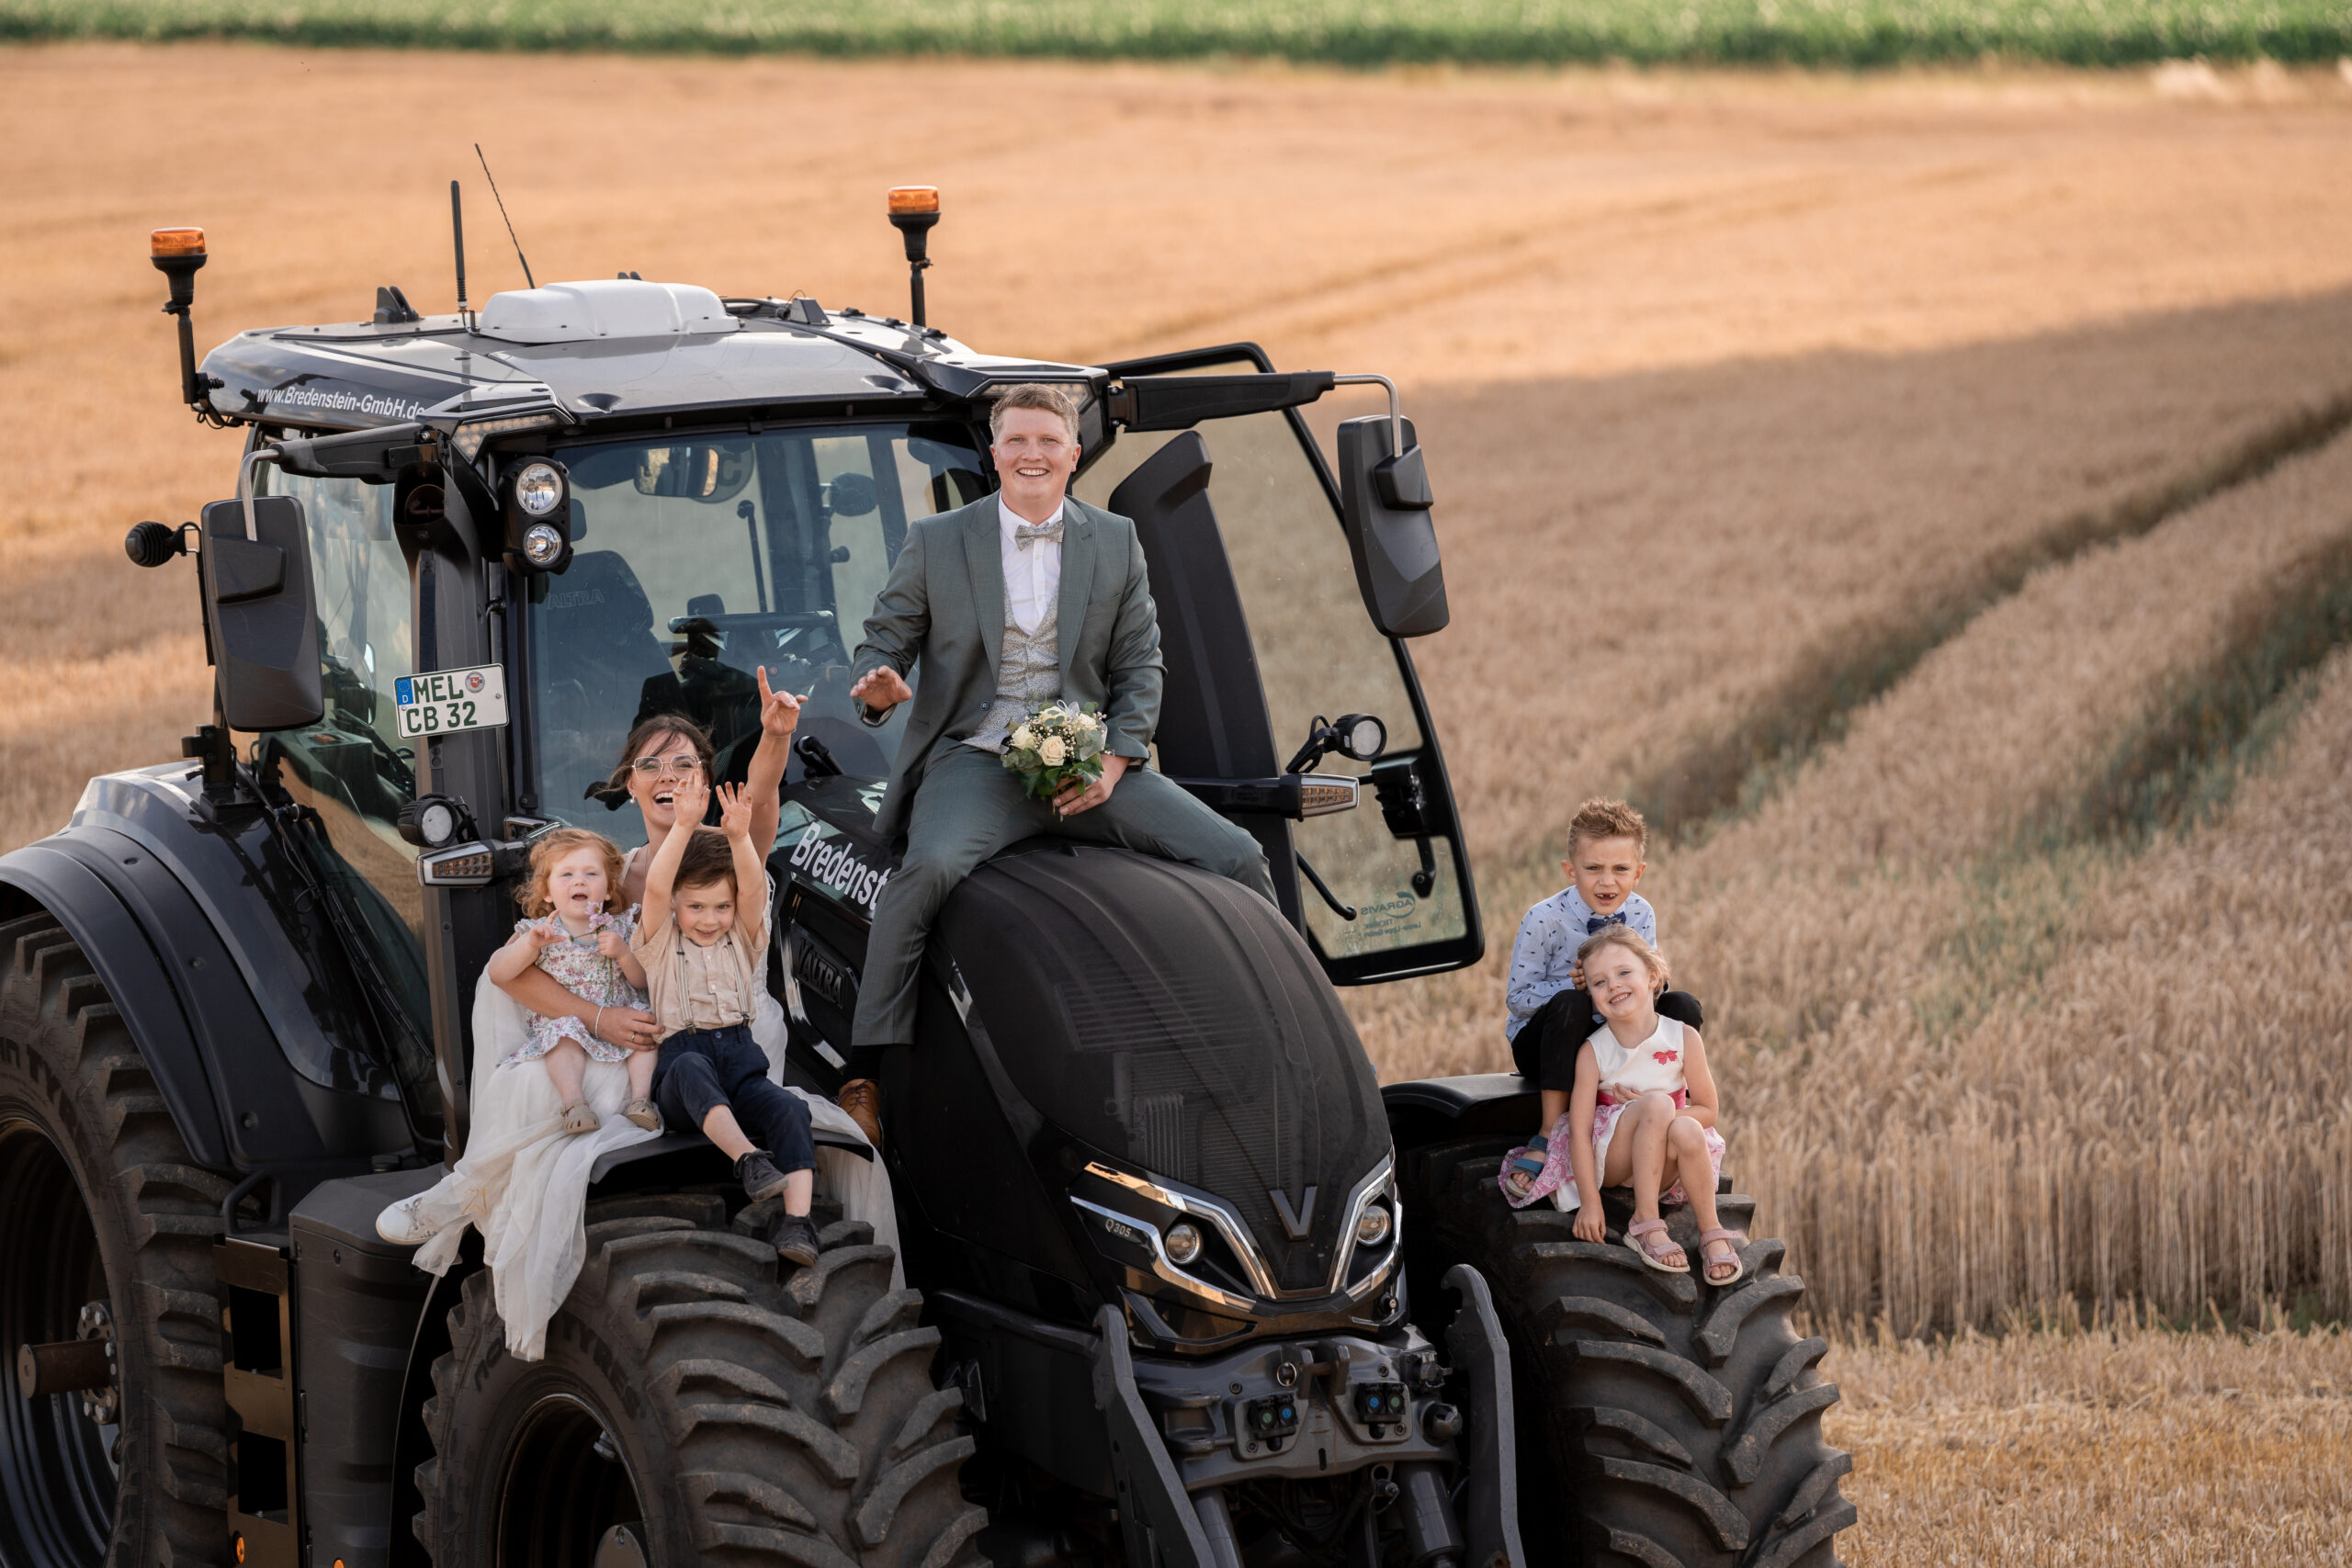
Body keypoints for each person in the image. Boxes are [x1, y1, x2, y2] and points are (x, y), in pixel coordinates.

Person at [842, 383, 1276, 1094]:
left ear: (1074, 454)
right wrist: (878, 687)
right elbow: (881, 643)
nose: (1032, 453)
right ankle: (866, 1077)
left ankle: (1287, 1033)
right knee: (927, 871)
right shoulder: (936, 539)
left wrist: (1113, 762)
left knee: (1239, 855)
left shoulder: (1116, 539)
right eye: (1016, 439)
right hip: (977, 757)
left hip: (1087, 761)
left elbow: (1142, 663)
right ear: (994, 453)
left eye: (1048, 440)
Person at [631, 774, 821, 1266]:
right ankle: (748, 1160)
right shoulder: (659, 943)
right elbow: (656, 887)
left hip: (740, 1061)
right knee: (690, 1067)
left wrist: (739, 837)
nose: (709, 918)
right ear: (676, 905)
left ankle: (798, 1223)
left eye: (721, 907)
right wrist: (684, 826)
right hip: (684, 1072)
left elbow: (754, 889)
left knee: (790, 1107)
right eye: (695, 906)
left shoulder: (742, 938)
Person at [1500, 924, 1747, 1286]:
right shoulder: (1594, 1051)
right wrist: (1590, 1203)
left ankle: (1711, 1231)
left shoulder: (1683, 1037)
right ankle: (1645, 1222)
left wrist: (1659, 1114)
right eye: (1599, 982)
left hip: (1664, 1163)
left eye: (1624, 973)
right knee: (1658, 1106)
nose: (1613, 985)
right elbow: (1580, 1132)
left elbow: (1708, 1110)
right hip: (1614, 1157)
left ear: (1653, 976)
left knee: (1687, 1125)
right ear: (1591, 995)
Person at [1504, 797, 1707, 1090]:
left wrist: (1652, 978)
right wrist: (1577, 986)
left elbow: (1649, 992)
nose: (1607, 881)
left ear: (1638, 873)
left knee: (1683, 1004)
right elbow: (1518, 1000)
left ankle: (1672, 1098)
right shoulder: (1544, 919)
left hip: (1615, 1032)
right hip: (1546, 1042)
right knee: (1572, 1004)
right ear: (1571, 871)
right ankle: (1555, 1116)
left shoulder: (1641, 913)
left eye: (1620, 869)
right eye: (1594, 868)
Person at [481, 829, 658, 1135]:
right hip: (570, 1023)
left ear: (608, 890)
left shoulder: (620, 928)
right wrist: (529, 947)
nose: (579, 881)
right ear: (547, 892)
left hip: (620, 1019)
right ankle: (575, 1103)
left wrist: (624, 954)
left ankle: (641, 1101)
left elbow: (641, 980)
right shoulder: (540, 931)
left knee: (646, 1028)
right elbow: (497, 972)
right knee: (562, 1036)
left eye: (591, 873)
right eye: (567, 874)